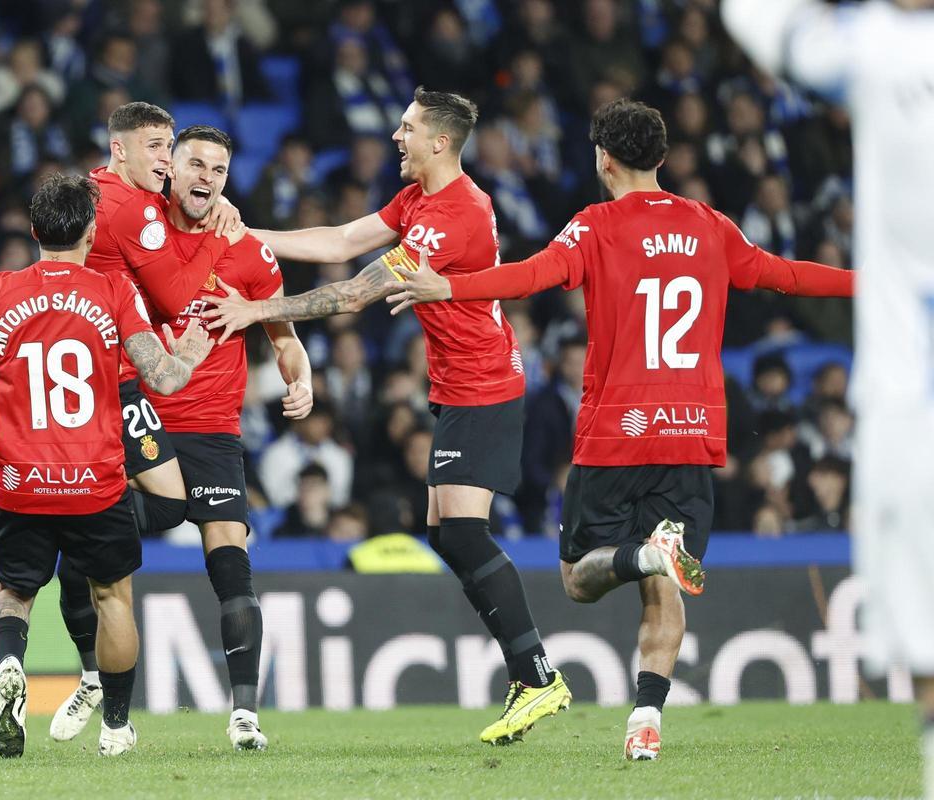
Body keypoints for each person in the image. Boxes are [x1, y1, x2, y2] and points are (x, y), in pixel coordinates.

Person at [384, 98, 853, 760]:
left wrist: (450, 289)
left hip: (618, 431)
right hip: (691, 433)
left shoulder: (595, 226)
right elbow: (788, 276)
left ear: (603, 158)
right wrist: (870, 283)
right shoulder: (709, 224)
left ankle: (641, 556)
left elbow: (531, 276)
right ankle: (645, 721)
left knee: (580, 578)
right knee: (666, 587)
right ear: (660, 158)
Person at [202, 87, 570, 745]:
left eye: (406, 128)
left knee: (460, 533)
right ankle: (530, 673)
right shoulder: (420, 199)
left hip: (483, 384)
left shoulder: (451, 214)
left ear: (438, 142)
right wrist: (242, 233)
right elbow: (342, 238)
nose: (394, 137)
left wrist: (258, 311)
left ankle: (538, 675)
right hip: (462, 384)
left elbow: (353, 292)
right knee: (449, 534)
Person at [721, 2, 934, 793]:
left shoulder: (877, 51)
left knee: (922, 643)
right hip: (906, 406)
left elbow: (762, 22)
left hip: (911, 411)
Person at [51, 125, 312, 751]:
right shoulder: (139, 230)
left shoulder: (246, 250)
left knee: (231, 558)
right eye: (194, 164)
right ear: (171, 170)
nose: (206, 178)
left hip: (215, 427)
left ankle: (244, 715)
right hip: (143, 409)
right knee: (98, 541)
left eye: (218, 171)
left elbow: (285, 338)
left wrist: (300, 381)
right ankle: (94, 674)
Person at [0, 173, 213, 759]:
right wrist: (194, 344)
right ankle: (115, 725)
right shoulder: (112, 291)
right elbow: (164, 377)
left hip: (20, 482)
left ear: (34, 231)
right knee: (112, 596)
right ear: (91, 231)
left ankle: (11, 665)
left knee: (13, 594)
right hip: (96, 480)